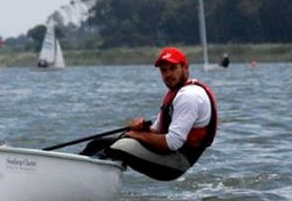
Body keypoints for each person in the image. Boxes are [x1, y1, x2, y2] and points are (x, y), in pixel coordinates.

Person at [92, 47, 217, 181]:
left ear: (185, 68)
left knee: (119, 147)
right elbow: (157, 130)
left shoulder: (190, 96)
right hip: (167, 154)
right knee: (98, 144)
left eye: (173, 68)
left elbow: (172, 143)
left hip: (175, 163)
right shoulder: (177, 92)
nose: (168, 74)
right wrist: (142, 128)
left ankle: (86, 182)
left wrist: (139, 135)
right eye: (164, 70)